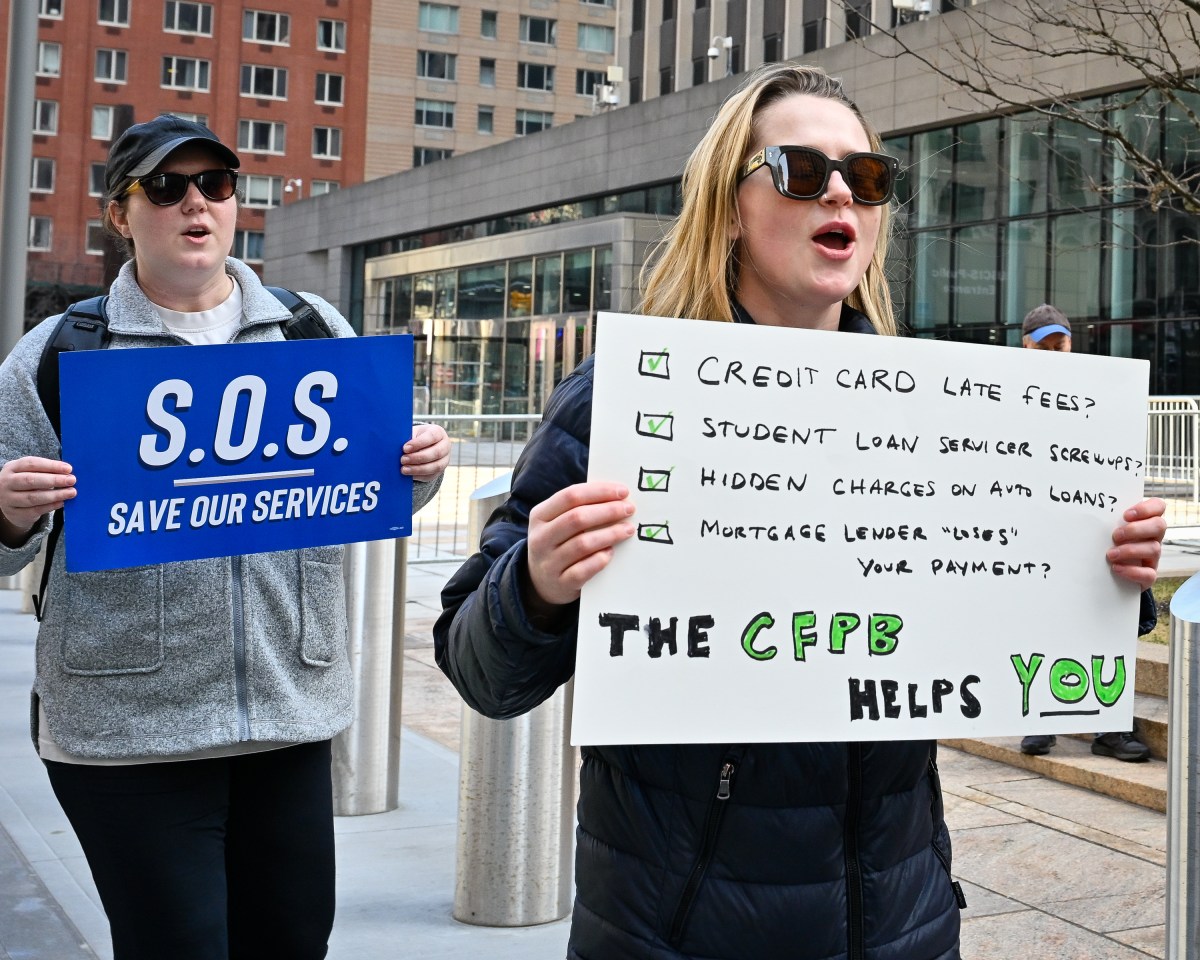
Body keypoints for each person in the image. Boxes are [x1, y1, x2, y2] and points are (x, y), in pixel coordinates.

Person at [435, 63, 1167, 960]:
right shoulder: (620, 401)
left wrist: (1106, 572)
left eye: (865, 178)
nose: (842, 197)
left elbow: (1006, 620)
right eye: (800, 170)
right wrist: (538, 584)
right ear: (728, 204)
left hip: (902, 922)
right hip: (678, 933)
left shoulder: (945, 415)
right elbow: (482, 671)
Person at [0, 115, 450, 960]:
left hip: (286, 715)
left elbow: (368, 489)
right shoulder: (60, 352)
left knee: (289, 942)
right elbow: (2, 541)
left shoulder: (311, 326)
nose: (195, 203)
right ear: (120, 214)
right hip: (127, 731)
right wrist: (8, 507)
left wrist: (418, 465)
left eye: (215, 184)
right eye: (165, 188)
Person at [1017, 304, 1154, 763]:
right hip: (1034, 534)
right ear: (1026, 346)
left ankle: (1112, 727)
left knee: (1104, 627)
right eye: (1046, 345)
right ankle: (1037, 721)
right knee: (1037, 624)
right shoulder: (1005, 392)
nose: (1056, 353)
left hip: (1091, 532)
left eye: (1062, 344)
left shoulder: (1099, 391)